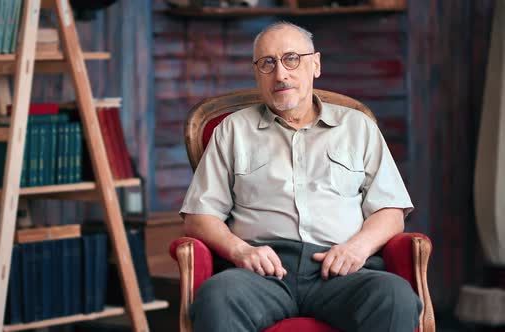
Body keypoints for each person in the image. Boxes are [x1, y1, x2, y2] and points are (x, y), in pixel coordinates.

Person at [179, 21, 422, 332]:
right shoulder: (233, 130)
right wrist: (241, 251)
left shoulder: (357, 127)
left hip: (343, 272)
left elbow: (390, 210)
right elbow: (198, 218)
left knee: (395, 296)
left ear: (315, 64)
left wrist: (357, 248)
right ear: (257, 74)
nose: (281, 74)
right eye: (268, 63)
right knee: (218, 296)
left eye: (291, 58)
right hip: (261, 274)